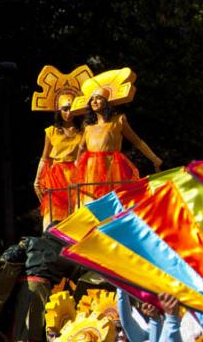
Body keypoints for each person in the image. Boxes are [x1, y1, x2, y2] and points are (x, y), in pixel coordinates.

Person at [74, 72, 162, 201]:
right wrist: (77, 166)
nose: (94, 101)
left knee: (114, 200)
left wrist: (154, 158)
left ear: (107, 101)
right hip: (92, 171)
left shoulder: (118, 120)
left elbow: (137, 142)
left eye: (98, 98)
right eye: (92, 99)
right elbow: (81, 148)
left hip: (113, 168)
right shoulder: (88, 126)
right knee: (92, 202)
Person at [34, 96, 82, 227]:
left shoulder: (83, 130)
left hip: (77, 174)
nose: (69, 113)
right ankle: (48, 242)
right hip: (57, 175)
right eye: (65, 109)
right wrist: (37, 180)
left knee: (78, 211)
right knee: (53, 211)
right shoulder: (52, 131)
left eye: (72, 109)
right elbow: (45, 158)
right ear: (59, 111)